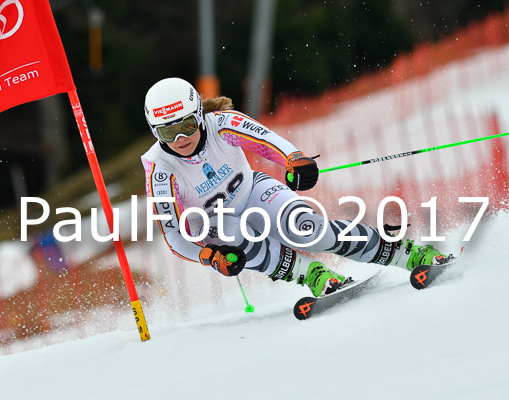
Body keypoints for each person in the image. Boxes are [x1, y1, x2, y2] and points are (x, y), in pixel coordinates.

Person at [141, 77, 450, 297]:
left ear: (199, 115)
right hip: (217, 225)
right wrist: (210, 257)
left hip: (252, 192)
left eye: (187, 126)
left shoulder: (221, 124)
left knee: (306, 228)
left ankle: (406, 254)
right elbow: (173, 237)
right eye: (168, 132)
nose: (181, 138)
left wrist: (294, 160)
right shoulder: (160, 171)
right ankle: (313, 276)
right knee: (232, 236)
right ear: (155, 131)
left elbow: (267, 142)